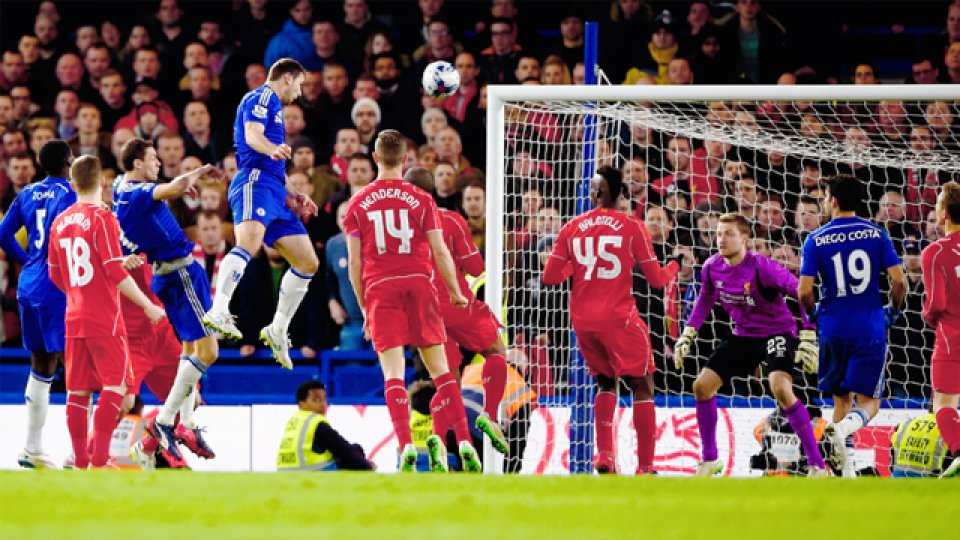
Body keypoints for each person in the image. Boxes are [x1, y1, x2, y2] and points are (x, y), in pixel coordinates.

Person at [342, 129, 480, 473]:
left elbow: (354, 265)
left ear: (375, 158)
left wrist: (363, 310)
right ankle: (464, 440)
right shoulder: (422, 199)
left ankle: (405, 444)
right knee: (443, 371)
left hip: (380, 288)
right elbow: (440, 251)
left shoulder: (357, 203)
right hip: (419, 284)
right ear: (405, 160)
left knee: (393, 373)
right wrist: (455, 291)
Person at [541, 166, 680, 475]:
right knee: (642, 386)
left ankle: (604, 457)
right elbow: (656, 280)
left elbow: (550, 277)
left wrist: (574, 270)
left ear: (595, 192)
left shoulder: (571, 227)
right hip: (619, 319)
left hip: (583, 322)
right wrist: (673, 265)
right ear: (621, 192)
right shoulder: (632, 226)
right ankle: (645, 467)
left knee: (605, 382)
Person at [675, 212, 827, 477]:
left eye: (729, 234)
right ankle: (710, 460)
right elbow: (704, 300)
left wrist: (809, 334)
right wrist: (688, 333)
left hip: (777, 333)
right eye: (719, 234)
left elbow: (803, 291)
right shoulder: (711, 267)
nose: (721, 239)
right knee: (701, 386)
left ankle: (817, 464)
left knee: (780, 388)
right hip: (743, 336)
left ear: (744, 239)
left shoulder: (763, 267)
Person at [48, 155, 166, 469]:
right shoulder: (103, 219)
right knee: (115, 388)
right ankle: (99, 460)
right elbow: (115, 272)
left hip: (73, 317)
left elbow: (55, 275)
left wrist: (77, 293)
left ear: (72, 185)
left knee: (78, 390)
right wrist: (147, 305)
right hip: (105, 318)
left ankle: (81, 460)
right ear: (101, 182)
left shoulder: (59, 222)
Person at [202, 58, 319, 371]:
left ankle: (278, 327)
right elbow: (253, 136)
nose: (300, 90)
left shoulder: (274, 106)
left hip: (275, 190)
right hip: (254, 180)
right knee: (249, 244)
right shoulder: (261, 97)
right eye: (300, 84)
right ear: (288, 77)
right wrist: (272, 149)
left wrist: (294, 194)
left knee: (308, 262)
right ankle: (218, 309)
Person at [113, 137, 224, 462]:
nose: (157, 163)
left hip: (169, 275)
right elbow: (171, 188)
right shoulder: (136, 190)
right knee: (209, 351)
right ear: (137, 163)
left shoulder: (120, 186)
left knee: (190, 351)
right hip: (181, 273)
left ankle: (173, 430)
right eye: (152, 159)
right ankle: (165, 423)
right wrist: (199, 172)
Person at [798, 174, 906, 478]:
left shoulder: (816, 239)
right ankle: (842, 431)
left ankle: (844, 473)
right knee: (870, 402)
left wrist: (814, 314)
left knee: (840, 399)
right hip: (869, 326)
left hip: (832, 328)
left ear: (833, 200)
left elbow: (804, 292)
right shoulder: (876, 234)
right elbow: (899, 281)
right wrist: (893, 312)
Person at [404, 167, 509, 458]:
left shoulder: (398, 231)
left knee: (447, 381)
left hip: (422, 314)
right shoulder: (450, 220)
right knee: (496, 352)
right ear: (433, 190)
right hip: (457, 304)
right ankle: (489, 414)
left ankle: (438, 437)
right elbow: (476, 269)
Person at [0, 139, 76, 468]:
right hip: (57, 286)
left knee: (41, 365)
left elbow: (3, 234)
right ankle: (79, 453)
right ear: (67, 164)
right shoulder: (71, 194)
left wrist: (27, 258)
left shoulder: (27, 194)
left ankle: (32, 447)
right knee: (76, 364)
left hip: (28, 286)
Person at [920, 181, 960, 478]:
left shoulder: (935, 252)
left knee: (944, 405)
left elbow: (936, 303)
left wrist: (928, 316)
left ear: (944, 213)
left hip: (952, 338)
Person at [277, 380, 374, 471]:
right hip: (311, 473)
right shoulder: (316, 422)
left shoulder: (294, 421)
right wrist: (368, 466)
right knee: (356, 450)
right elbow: (344, 450)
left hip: (285, 472)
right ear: (302, 404)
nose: (323, 404)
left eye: (324, 399)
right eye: (316, 400)